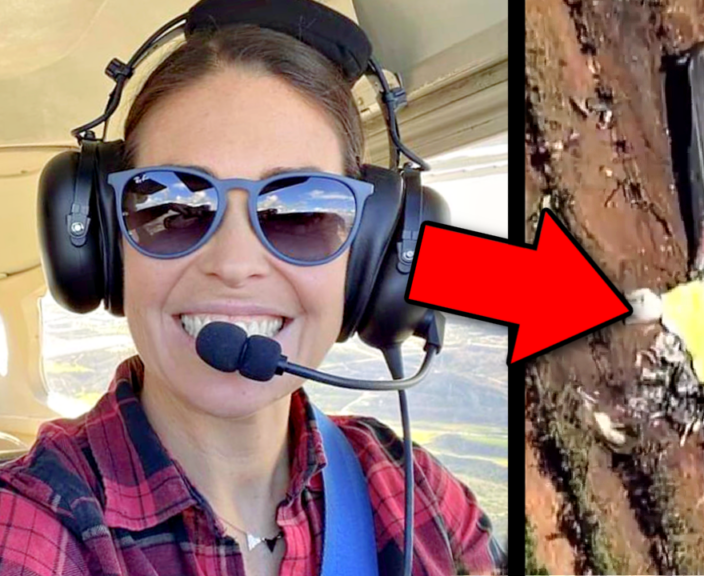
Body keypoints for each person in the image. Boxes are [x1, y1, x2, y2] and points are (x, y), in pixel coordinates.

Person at [0, 22, 504, 576]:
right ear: (105, 247)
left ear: (370, 258)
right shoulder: (33, 523)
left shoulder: (414, 492)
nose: (234, 265)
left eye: (301, 213)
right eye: (173, 206)